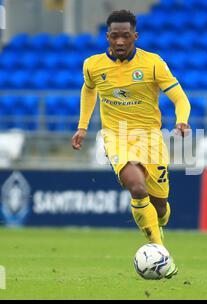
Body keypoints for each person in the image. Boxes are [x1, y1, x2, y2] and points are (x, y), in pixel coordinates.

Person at [72, 10, 191, 279]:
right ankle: (161, 254)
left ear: (135, 36)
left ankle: (157, 230)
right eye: (115, 36)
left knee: (160, 207)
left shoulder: (152, 64)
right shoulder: (93, 65)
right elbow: (89, 89)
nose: (120, 41)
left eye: (126, 36)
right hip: (116, 136)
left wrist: (182, 121)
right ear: (108, 37)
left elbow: (181, 98)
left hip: (151, 139)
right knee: (136, 187)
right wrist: (82, 126)